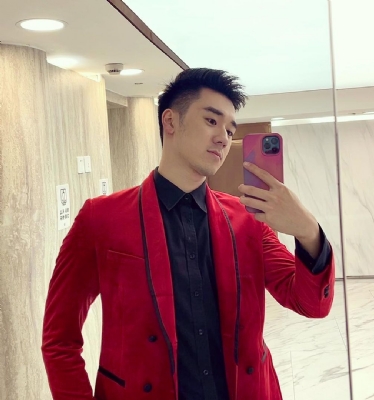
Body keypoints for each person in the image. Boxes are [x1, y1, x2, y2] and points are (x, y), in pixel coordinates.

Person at [42, 68, 334, 400]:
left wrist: (307, 231)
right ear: (170, 121)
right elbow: (59, 339)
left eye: (230, 129)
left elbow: (311, 304)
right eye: (211, 121)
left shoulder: (248, 221)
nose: (223, 137)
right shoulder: (102, 218)